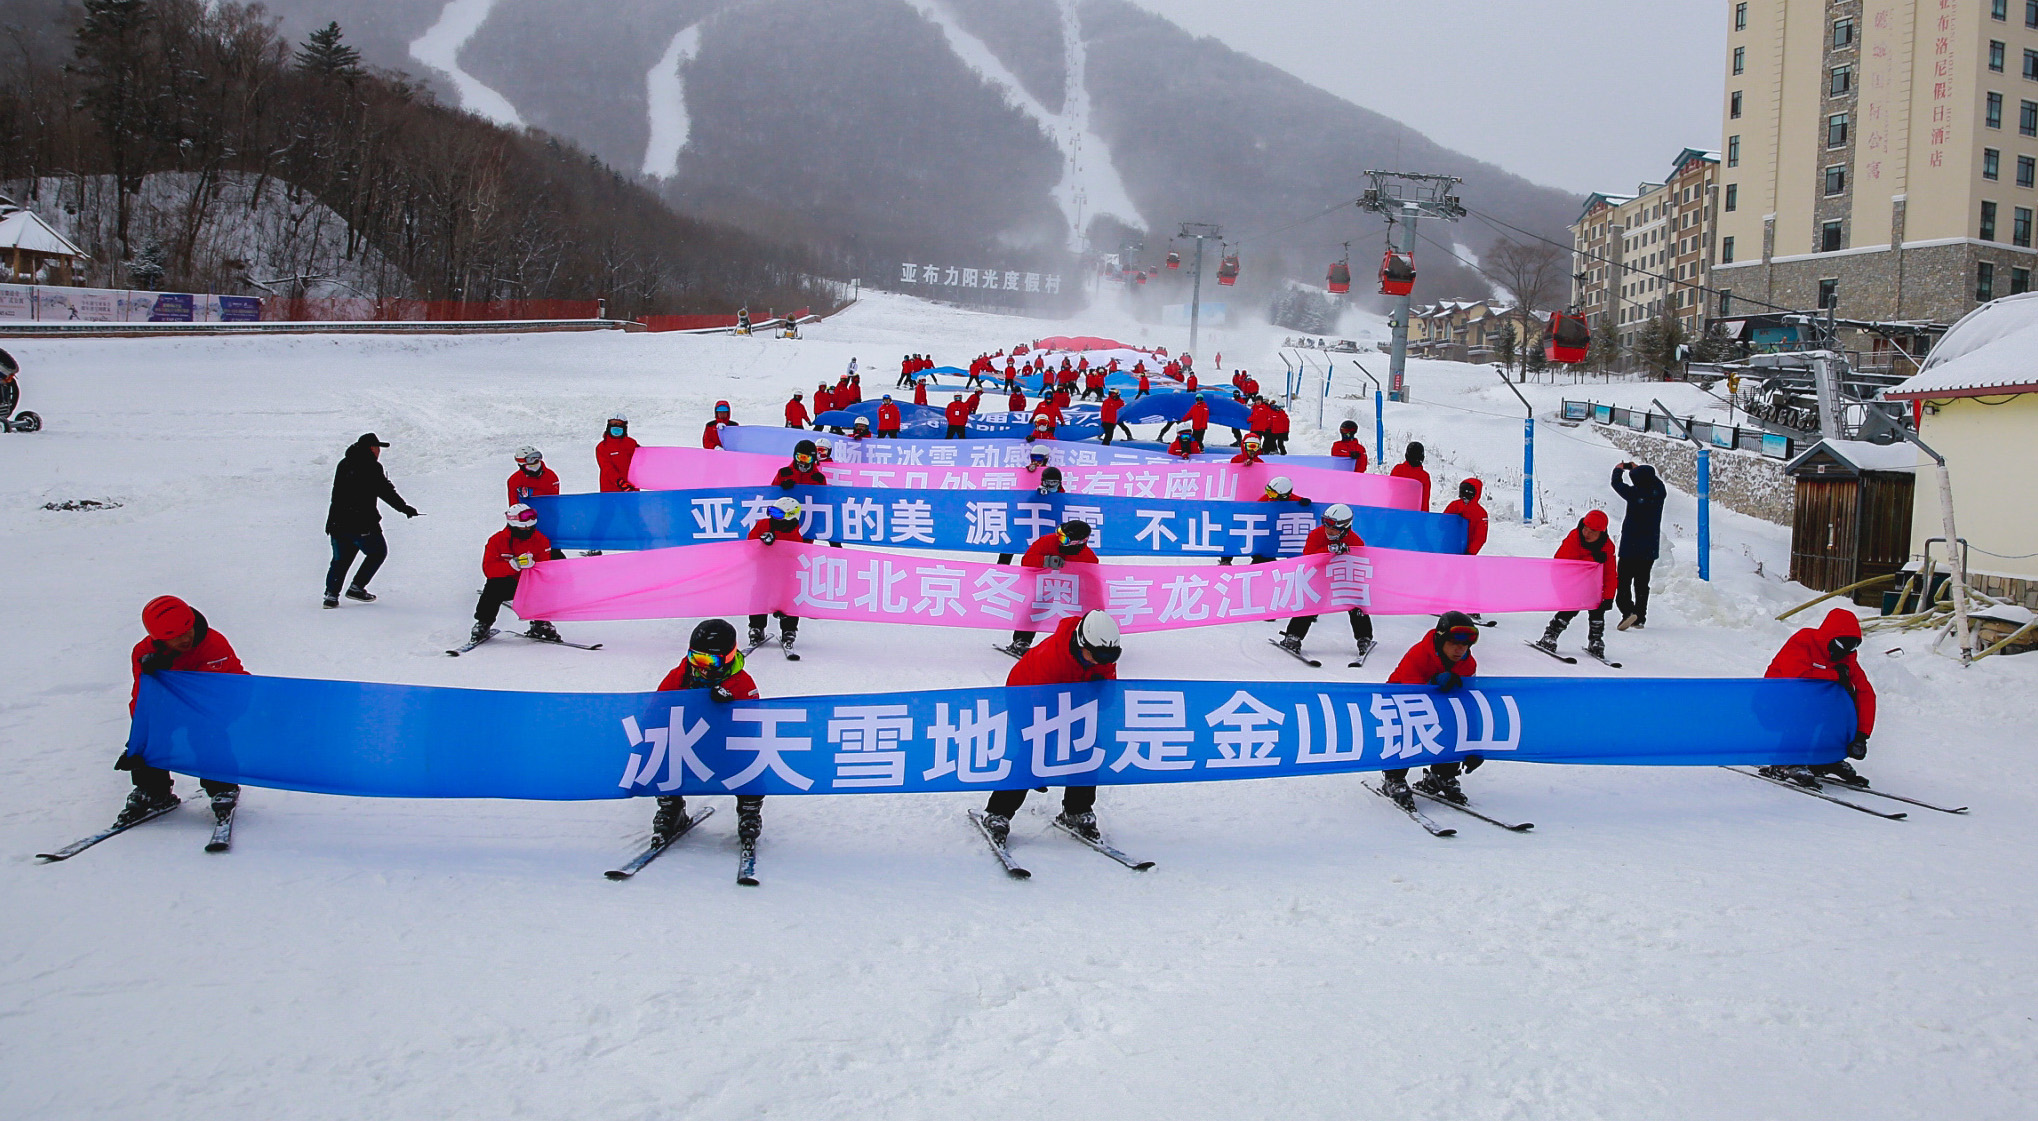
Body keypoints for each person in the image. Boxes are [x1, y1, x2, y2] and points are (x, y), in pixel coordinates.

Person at [980, 610, 1122, 844]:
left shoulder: (1102, 655)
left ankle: (1076, 810)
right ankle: (998, 812)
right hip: (1026, 695)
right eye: (1097, 656)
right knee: (1034, 751)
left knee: (1086, 746)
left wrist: (1100, 690)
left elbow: (1107, 700)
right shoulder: (1052, 658)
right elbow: (1043, 713)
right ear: (1082, 642)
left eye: (1109, 657)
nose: (1102, 662)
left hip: (1072, 699)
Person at [115, 596, 247, 827]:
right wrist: (137, 739)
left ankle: (222, 786)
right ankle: (153, 790)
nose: (186, 638)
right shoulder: (143, 652)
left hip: (219, 704)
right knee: (151, 733)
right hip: (175, 706)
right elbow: (143, 698)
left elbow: (214, 693)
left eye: (187, 630)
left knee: (206, 732)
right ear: (159, 638)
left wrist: (173, 668)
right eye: (174, 636)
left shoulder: (213, 644)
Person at [649, 619, 764, 844]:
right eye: (696, 658)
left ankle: (749, 810)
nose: (702, 666)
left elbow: (754, 728)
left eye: (710, 660)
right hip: (689, 747)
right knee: (658, 751)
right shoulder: (680, 675)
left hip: (726, 750)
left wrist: (729, 707)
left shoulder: (741, 682)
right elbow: (654, 712)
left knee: (755, 757)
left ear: (728, 658)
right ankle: (672, 809)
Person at [1377, 612, 1483, 809]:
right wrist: (1432, 683)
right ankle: (1394, 777)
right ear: (1441, 639)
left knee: (1455, 721)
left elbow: (1468, 704)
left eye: (1466, 644)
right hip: (1399, 702)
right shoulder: (1418, 654)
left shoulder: (1468, 663)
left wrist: (1473, 744)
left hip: (1440, 704)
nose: (1461, 649)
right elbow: (1410, 697)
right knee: (1407, 726)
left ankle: (1443, 774)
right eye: (1454, 642)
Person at [1761, 608, 1876, 787]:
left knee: (1843, 702)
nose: (1846, 652)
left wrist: (1862, 734)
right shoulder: (1803, 642)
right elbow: (1796, 675)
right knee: (1806, 703)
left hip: (1812, 706)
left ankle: (1826, 756)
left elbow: (1866, 693)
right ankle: (1785, 759)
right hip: (1775, 706)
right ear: (1829, 638)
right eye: (1842, 645)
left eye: (1852, 646)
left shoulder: (1847, 658)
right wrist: (1835, 675)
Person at [323, 432, 419, 609]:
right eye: (377, 448)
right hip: (362, 523)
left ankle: (331, 596)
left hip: (338, 522)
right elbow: (385, 491)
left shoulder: (343, 464)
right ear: (371, 448)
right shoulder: (371, 466)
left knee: (340, 560)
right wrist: (404, 508)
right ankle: (356, 587)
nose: (379, 452)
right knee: (377, 552)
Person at [1276, 504, 1373, 658]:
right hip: (1320, 574)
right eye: (1325, 524)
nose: (1328, 530)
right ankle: (1293, 635)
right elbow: (1308, 558)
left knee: (1356, 602)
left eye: (1333, 528)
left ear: (1345, 527)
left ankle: (1364, 637)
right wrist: (1330, 550)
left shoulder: (1356, 541)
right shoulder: (1316, 534)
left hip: (1342, 576)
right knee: (1310, 602)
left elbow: (1361, 562)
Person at [1000, 520, 1098, 657]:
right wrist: (1046, 561)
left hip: (1069, 589)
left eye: (1063, 538)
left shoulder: (1088, 558)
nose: (1058, 539)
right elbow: (1026, 561)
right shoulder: (1047, 541)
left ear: (1077, 542)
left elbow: (1094, 585)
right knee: (1039, 604)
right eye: (1059, 533)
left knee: (1083, 611)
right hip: (1044, 584)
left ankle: (1084, 643)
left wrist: (1097, 610)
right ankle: (1021, 640)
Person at [1534, 510, 1619, 660]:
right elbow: (1564, 562)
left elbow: (1610, 574)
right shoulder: (1574, 538)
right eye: (1585, 528)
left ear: (1601, 532)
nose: (1587, 533)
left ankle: (1596, 640)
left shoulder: (1607, 547)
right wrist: (1593, 558)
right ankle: (1550, 635)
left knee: (1598, 609)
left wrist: (1609, 597)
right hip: (1568, 581)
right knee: (1570, 609)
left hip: (1592, 585)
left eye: (1592, 531)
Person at [471, 505, 562, 644]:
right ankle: (483, 622)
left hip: (531, 583)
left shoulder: (541, 540)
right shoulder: (496, 541)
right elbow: (488, 569)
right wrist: (513, 565)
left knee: (544, 587)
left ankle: (540, 622)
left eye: (531, 527)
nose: (528, 530)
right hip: (508, 583)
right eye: (523, 527)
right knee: (493, 587)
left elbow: (545, 569)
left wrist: (534, 567)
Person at [1611, 462, 1666, 630]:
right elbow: (1657, 482)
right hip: (1649, 548)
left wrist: (1618, 470)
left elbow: (1616, 484)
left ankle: (1628, 611)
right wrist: (1638, 469)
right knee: (1642, 583)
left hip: (1630, 546)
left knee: (1623, 582)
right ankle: (1640, 617)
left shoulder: (1634, 494)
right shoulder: (1659, 493)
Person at [746, 497, 805, 653]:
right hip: (764, 570)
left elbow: (796, 553)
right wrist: (760, 544)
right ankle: (756, 627)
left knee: (788, 597)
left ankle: (789, 629)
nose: (773, 517)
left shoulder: (794, 532)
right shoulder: (763, 525)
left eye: (778, 514)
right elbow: (749, 547)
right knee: (759, 594)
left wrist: (776, 545)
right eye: (772, 511)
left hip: (786, 573)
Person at [998, 465, 1064, 564]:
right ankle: (1001, 566)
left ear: (1059, 483)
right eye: (1048, 482)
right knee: (1013, 544)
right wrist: (1037, 496)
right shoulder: (1036, 495)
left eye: (1054, 483)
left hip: (1050, 528)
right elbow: (1025, 510)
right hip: (1031, 524)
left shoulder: (1063, 497)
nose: (1051, 486)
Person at [1443, 478, 1489, 555]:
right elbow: (1441, 524)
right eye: (1463, 492)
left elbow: (1480, 537)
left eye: (1468, 492)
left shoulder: (1481, 513)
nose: (1465, 496)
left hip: (1465, 549)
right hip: (1447, 545)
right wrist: (1453, 520)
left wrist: (1470, 552)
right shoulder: (1454, 505)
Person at [598, 413, 639, 493]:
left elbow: (641, 460)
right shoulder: (602, 447)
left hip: (631, 487)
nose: (616, 427)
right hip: (610, 488)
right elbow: (607, 468)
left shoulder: (631, 443)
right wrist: (620, 482)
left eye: (619, 424)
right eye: (613, 424)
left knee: (631, 505)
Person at [1391, 441, 1432, 510]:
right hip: (1414, 514)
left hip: (1395, 511)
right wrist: (1424, 517)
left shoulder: (1398, 469)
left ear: (1406, 455)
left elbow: (1390, 488)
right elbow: (1424, 500)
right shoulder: (1424, 477)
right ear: (1422, 458)